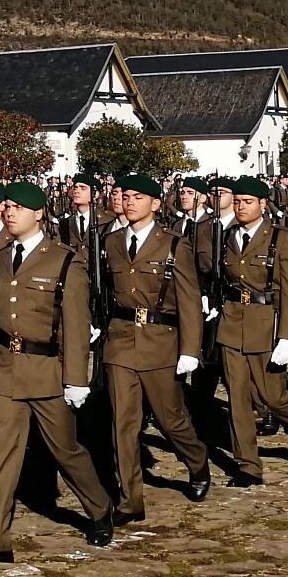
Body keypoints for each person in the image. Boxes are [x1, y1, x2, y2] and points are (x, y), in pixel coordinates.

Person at [0, 181, 113, 562]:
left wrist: (76, 379)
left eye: (19, 207)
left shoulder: (64, 261)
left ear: (39, 214)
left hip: (49, 371)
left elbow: (75, 325)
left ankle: (99, 509)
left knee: (65, 450)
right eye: (8, 206)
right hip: (5, 369)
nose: (10, 212)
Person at [98, 172, 213, 518]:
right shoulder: (111, 242)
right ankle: (130, 500)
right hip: (120, 341)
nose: (130, 202)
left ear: (156, 203)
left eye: (138, 196)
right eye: (126, 196)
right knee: (123, 423)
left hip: (161, 342)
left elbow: (189, 301)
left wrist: (191, 350)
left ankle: (197, 460)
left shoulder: (173, 244)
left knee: (171, 419)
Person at [216, 176, 288, 478]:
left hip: (265, 324)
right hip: (232, 322)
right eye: (237, 201)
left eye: (248, 202)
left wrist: (287, 337)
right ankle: (248, 465)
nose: (241, 207)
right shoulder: (228, 235)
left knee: (273, 396)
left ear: (262, 204)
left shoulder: (282, 239)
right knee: (238, 398)